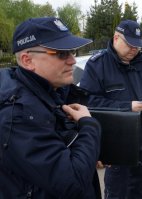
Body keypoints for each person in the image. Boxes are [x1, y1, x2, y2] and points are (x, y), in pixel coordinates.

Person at [0, 17, 102, 199]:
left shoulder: (51, 92)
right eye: (61, 54)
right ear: (27, 60)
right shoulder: (19, 114)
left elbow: (59, 150)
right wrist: (89, 126)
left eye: (72, 51)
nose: (72, 60)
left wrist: (88, 155)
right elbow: (72, 183)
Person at [80, 19, 142, 198]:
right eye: (130, 45)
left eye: (138, 45)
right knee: (117, 192)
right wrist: (126, 107)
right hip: (118, 147)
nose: (135, 49)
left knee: (138, 188)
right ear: (116, 38)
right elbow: (88, 102)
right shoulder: (98, 65)